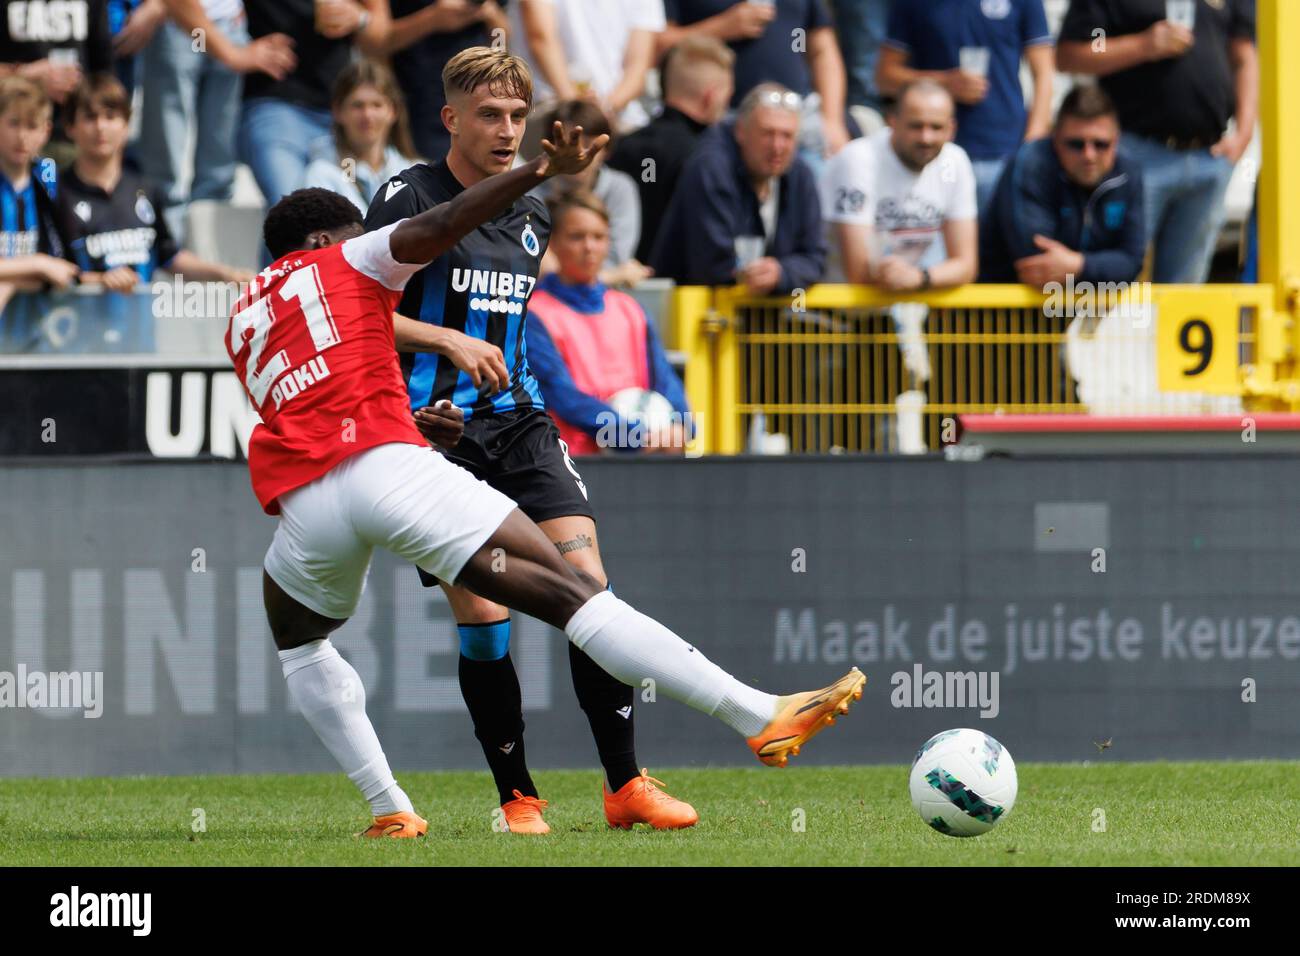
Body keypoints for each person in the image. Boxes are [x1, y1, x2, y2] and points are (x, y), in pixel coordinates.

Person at [230, 127, 866, 838]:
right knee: (575, 593)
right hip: (390, 472)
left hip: (310, 505)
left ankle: (391, 810)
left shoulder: (245, 313)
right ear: (324, 240)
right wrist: (538, 168)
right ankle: (757, 713)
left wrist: (412, 415)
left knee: (302, 646)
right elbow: (440, 224)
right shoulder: (348, 258)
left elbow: (321, 395)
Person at [364, 48, 699, 834]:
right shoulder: (405, 196)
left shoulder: (533, 214)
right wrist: (444, 345)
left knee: (588, 583)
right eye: (490, 115)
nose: (508, 130)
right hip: (433, 434)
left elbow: (506, 331)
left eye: (518, 115)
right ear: (450, 119)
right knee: (484, 614)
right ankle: (517, 796)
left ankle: (626, 786)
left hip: (520, 425)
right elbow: (362, 310)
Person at [1056, 0, 1257, 284]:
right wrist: (1143, 45)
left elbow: (1244, 55)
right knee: (1113, 281)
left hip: (1209, 156)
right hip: (1135, 154)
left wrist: (1244, 133)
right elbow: (1073, 53)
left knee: (1184, 288)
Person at [161, 0, 392, 210]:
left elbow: (381, 36)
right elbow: (183, 6)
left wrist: (360, 19)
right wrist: (232, 53)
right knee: (293, 207)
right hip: (273, 108)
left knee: (346, 211)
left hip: (338, 118)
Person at [526, 190, 689, 455]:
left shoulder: (629, 309)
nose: (589, 247)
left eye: (598, 237)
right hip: (572, 461)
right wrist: (632, 436)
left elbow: (665, 378)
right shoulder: (535, 314)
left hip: (637, 455)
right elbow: (562, 396)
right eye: (577, 237)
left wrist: (680, 424)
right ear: (552, 242)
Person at [57, 74, 251, 287]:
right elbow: (46, 271)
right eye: (90, 117)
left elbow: (169, 257)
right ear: (70, 127)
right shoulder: (56, 194)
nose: (101, 127)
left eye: (110, 116)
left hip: (141, 319)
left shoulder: (145, 190)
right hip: (81, 318)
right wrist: (100, 281)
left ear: (126, 125)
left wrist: (224, 273)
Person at [876, 0, 1054, 214]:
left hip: (1004, 151)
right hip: (933, 151)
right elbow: (885, 77)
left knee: (997, 245)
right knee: (934, 245)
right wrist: (944, 82)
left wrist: (1032, 142)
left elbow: (1044, 72)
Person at [651, 82, 826, 293]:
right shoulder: (711, 167)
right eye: (767, 133)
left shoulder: (800, 174)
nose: (777, 146)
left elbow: (816, 258)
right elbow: (712, 267)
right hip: (692, 315)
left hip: (758, 318)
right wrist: (755, 276)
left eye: (787, 136)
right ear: (741, 131)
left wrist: (782, 273)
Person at [980, 84, 1145, 288]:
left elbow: (1133, 261)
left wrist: (1079, 265)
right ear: (1055, 139)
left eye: (1100, 144)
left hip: (1083, 308)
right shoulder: (1031, 164)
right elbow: (1038, 264)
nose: (1089, 155)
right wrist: (1105, 268)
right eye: (1076, 144)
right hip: (1007, 310)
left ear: (1116, 141)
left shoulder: (1128, 171)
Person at [820, 79, 977, 291]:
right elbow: (859, 273)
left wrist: (920, 277)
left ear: (951, 129)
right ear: (892, 121)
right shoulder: (858, 159)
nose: (926, 137)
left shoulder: (955, 162)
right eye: (916, 126)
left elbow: (966, 265)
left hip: (893, 308)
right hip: (825, 311)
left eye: (936, 127)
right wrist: (913, 278)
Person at [658, 0, 852, 160]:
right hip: (721, 126)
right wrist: (721, 27)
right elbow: (657, 48)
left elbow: (822, 51)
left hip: (797, 121)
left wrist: (832, 119)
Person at [141, 0, 264, 241]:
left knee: (219, 153)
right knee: (167, 152)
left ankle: (208, 245)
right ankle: (168, 245)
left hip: (229, 23)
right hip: (178, 22)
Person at [607, 34, 734, 265]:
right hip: (685, 293)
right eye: (727, 96)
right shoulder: (708, 155)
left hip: (622, 284)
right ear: (711, 96)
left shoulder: (621, 146)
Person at [526, 99, 646, 284]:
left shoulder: (621, 188)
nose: (579, 152)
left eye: (589, 143)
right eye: (569, 143)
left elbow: (615, 257)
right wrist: (615, 276)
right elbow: (534, 263)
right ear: (551, 146)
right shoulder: (530, 191)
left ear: (606, 150)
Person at [509, 0, 664, 130]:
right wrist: (579, 108)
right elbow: (540, 39)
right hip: (549, 113)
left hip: (616, 120)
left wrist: (601, 109)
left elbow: (639, 66)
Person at [385, 0, 510, 160]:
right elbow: (376, 42)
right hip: (423, 106)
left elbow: (502, 40)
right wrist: (432, 18)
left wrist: (490, 14)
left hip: (481, 97)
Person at [301, 60, 420, 216]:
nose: (367, 115)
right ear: (338, 111)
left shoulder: (415, 173)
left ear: (393, 111)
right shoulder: (321, 174)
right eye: (357, 105)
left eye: (377, 105)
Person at [0, 77, 78, 289]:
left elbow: (67, 267)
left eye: (32, 126)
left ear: (46, 131)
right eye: (14, 123)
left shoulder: (49, 185)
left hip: (37, 317)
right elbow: (48, 267)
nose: (22, 136)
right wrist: (37, 265)